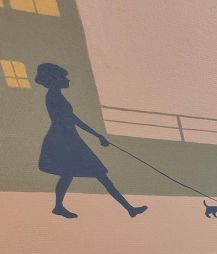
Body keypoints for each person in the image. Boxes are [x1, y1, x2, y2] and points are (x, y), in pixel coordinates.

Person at [34, 63, 147, 219]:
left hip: (67, 138)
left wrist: (97, 135)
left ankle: (129, 208)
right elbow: (72, 119)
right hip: (64, 140)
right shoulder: (54, 96)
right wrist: (97, 135)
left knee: (78, 173)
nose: (67, 80)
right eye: (64, 77)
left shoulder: (56, 95)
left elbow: (72, 119)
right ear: (55, 79)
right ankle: (129, 208)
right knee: (92, 173)